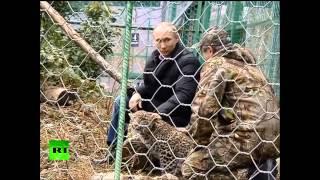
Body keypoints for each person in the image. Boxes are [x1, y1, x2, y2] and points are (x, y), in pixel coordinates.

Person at [179, 27, 280, 179]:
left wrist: (198, 142)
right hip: (274, 140)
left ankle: (248, 170)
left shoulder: (216, 64)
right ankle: (261, 167)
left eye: (203, 54)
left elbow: (205, 109)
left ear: (209, 50)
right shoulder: (251, 67)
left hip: (247, 139)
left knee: (192, 166)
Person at [104, 22, 201, 168]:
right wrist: (137, 93)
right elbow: (149, 84)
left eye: (167, 40)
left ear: (177, 38)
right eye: (158, 41)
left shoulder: (188, 61)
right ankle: (113, 150)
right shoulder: (155, 57)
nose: (162, 46)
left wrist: (157, 114)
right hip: (155, 105)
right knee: (121, 101)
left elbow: (184, 94)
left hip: (175, 112)